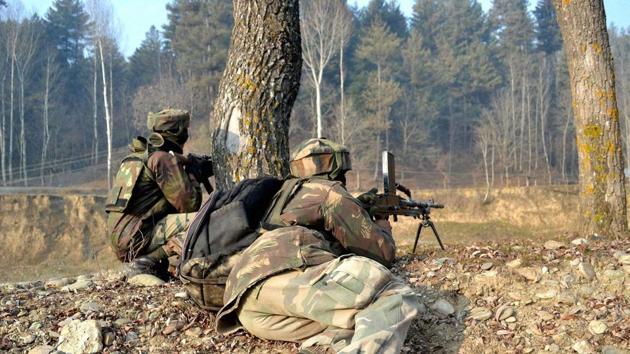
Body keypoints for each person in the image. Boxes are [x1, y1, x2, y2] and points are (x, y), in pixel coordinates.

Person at [214, 138, 420, 354]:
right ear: (336, 169)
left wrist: (359, 207)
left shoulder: (280, 195)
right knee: (393, 294)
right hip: (286, 276)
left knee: (356, 320)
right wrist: (382, 228)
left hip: (246, 305)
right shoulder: (328, 191)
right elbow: (381, 253)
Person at [105, 109, 202, 277]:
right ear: (178, 132)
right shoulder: (162, 159)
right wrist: (194, 175)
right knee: (205, 220)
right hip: (136, 238)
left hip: (122, 238)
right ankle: (146, 262)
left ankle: (152, 264)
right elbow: (190, 205)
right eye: (184, 129)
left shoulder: (137, 158)